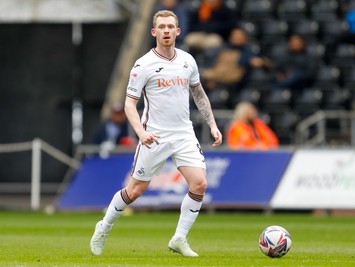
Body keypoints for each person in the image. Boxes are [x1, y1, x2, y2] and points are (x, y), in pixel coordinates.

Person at [90, 10, 223, 257]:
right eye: (161, 27)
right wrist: (140, 132)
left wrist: (213, 124)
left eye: (170, 27)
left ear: (177, 31)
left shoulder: (187, 61)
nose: (166, 31)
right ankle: (104, 226)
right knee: (135, 191)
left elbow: (199, 94)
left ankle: (179, 238)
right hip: (154, 136)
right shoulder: (143, 65)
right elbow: (129, 104)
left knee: (200, 183)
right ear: (154, 32)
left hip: (183, 134)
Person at [202, 27, 272, 93]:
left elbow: (267, 63)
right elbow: (211, 65)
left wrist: (261, 62)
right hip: (214, 80)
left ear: (245, 38)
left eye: (239, 35)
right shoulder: (222, 50)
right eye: (235, 35)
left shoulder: (249, 53)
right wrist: (210, 79)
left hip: (232, 84)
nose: (237, 38)